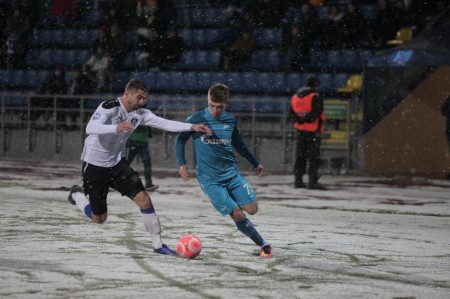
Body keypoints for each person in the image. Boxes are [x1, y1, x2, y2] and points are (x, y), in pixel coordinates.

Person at [67, 79, 211, 256]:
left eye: (144, 98)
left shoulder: (140, 113)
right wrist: (116, 127)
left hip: (116, 164)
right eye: (139, 97)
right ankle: (77, 195)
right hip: (95, 167)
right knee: (99, 218)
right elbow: (91, 127)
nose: (142, 102)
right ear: (127, 94)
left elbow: (164, 123)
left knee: (144, 200)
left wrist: (192, 127)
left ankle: (158, 245)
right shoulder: (109, 107)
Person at [175, 83, 272, 258]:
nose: (215, 110)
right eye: (212, 105)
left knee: (252, 209)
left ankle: (233, 203)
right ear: (208, 99)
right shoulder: (196, 118)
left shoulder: (230, 120)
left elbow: (239, 144)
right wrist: (182, 164)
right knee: (237, 214)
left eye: (219, 107)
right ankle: (263, 244)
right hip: (210, 179)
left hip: (232, 175)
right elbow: (180, 140)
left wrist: (255, 162)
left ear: (226, 103)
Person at [290, 76, 326, 190]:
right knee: (313, 157)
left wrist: (301, 120)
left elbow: (291, 114)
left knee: (300, 156)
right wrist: (308, 119)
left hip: (300, 131)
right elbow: (317, 113)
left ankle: (298, 180)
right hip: (313, 131)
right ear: (316, 85)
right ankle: (312, 182)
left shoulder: (295, 97)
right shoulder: (315, 96)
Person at [125, 125, 158, 191]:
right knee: (126, 163)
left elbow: (149, 132)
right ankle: (116, 180)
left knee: (146, 163)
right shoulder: (134, 116)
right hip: (135, 141)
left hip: (141, 142)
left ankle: (148, 184)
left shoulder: (147, 116)